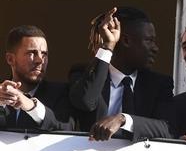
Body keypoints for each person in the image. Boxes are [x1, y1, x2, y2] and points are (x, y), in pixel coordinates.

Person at [69, 7, 174, 141]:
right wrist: (108, 45)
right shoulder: (83, 73)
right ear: (126, 41)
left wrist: (123, 119)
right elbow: (86, 102)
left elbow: (168, 128)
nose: (155, 48)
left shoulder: (159, 84)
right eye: (149, 40)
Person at [0, 25, 74, 131]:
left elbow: (66, 127)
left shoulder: (61, 93)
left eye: (44, 54)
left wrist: (31, 106)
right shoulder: (1, 93)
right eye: (32, 53)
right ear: (10, 59)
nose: (40, 60)